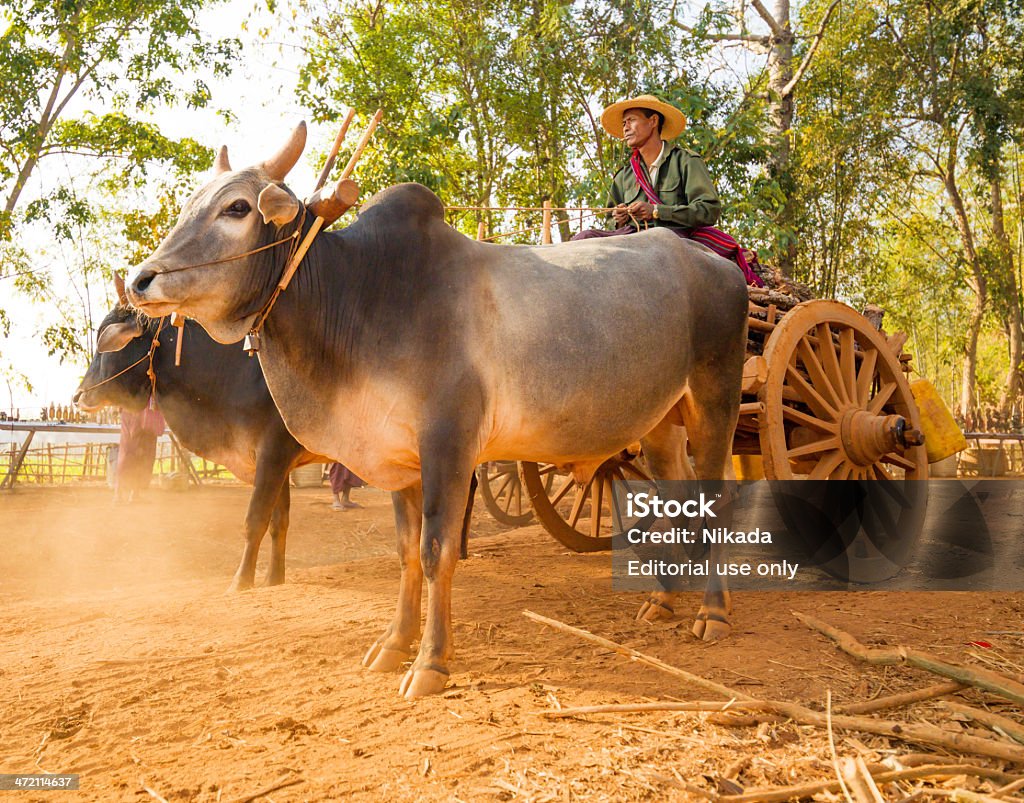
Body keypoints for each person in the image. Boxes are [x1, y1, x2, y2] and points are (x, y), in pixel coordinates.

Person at [574, 93, 763, 287]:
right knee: (584, 238)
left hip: (673, 241)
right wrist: (618, 217)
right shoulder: (624, 175)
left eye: (631, 121)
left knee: (655, 243)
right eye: (623, 123)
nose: (625, 128)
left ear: (653, 121)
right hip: (632, 241)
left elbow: (708, 210)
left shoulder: (685, 161)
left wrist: (656, 211)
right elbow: (611, 220)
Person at [114, 400, 165, 503]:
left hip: (131, 411)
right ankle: (123, 495)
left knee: (128, 454)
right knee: (135, 455)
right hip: (140, 414)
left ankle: (127, 494)